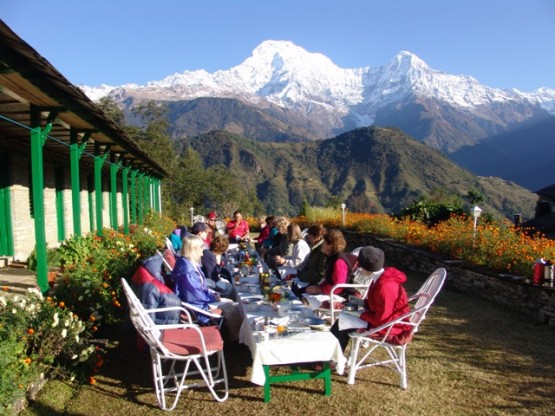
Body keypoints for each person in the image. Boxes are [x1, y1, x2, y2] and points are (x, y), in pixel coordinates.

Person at [330, 246, 411, 352]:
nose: (358, 269)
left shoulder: (384, 286)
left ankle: (330, 359)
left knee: (343, 322)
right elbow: (376, 303)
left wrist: (358, 313)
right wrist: (356, 302)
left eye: (360, 266)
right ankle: (330, 357)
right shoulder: (380, 278)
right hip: (383, 319)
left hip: (391, 326)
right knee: (345, 314)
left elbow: (383, 319)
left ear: (366, 268)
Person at [172, 235, 242, 342]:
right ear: (194, 249)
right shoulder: (188, 270)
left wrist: (211, 293)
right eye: (201, 246)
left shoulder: (189, 263)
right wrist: (213, 298)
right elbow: (194, 296)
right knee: (233, 307)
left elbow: (199, 288)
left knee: (230, 302)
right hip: (196, 309)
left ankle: (229, 333)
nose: (204, 249)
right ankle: (235, 340)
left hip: (199, 303)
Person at [131, 254, 181, 324]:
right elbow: (148, 321)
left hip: (167, 321)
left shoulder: (146, 278)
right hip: (164, 329)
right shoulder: (151, 287)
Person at [304, 229, 354, 296]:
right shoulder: (331, 257)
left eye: (324, 242)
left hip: (343, 295)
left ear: (330, 246)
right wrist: (319, 287)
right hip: (333, 292)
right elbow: (329, 280)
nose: (322, 245)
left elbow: (338, 286)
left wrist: (320, 289)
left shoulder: (339, 261)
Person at [291, 224, 326, 297]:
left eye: (311, 235)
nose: (308, 237)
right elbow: (308, 264)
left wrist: (303, 276)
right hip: (309, 277)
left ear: (318, 237)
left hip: (316, 281)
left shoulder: (322, 250)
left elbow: (320, 272)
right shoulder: (314, 247)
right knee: (294, 285)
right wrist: (301, 275)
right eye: (308, 234)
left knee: (297, 290)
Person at [201, 234, 234, 298]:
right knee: (230, 288)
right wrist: (218, 263)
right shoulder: (210, 256)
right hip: (209, 283)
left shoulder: (209, 253)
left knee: (228, 282)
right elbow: (212, 274)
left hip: (210, 280)